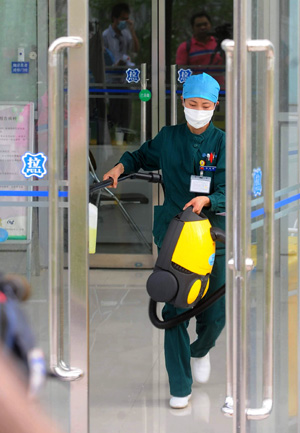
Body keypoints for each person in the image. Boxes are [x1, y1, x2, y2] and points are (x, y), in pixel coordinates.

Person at [103, 73, 225, 409]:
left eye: (204, 105)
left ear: (214, 106)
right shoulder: (169, 137)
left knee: (214, 313)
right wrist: (119, 167)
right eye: (191, 104)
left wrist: (209, 201)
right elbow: (140, 157)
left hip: (212, 237)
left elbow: (229, 189)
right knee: (174, 308)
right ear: (182, 103)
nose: (197, 110)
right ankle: (180, 387)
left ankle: (200, 350)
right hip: (175, 235)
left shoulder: (222, 143)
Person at [102, 3, 140, 138]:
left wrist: (132, 30)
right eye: (122, 19)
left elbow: (135, 49)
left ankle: (124, 139)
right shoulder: (106, 35)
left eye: (126, 19)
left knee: (126, 112)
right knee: (114, 111)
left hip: (125, 79)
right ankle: (112, 139)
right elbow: (102, 57)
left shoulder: (126, 34)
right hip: (112, 79)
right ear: (115, 18)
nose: (124, 22)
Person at [176, 12, 224, 87]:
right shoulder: (185, 47)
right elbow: (182, 73)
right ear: (193, 28)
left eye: (205, 24)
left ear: (210, 25)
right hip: (197, 92)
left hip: (221, 91)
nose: (202, 27)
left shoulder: (221, 44)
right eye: (198, 25)